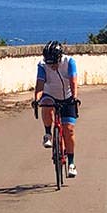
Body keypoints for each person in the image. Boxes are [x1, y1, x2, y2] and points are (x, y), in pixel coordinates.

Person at [32, 40, 79, 178]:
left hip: (68, 96)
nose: (52, 66)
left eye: (54, 63)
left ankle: (71, 162)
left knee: (69, 130)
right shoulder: (42, 65)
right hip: (50, 94)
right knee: (45, 103)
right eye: (49, 63)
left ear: (60, 58)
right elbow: (40, 85)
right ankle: (48, 134)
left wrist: (75, 97)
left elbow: (73, 81)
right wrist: (36, 99)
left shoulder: (69, 62)